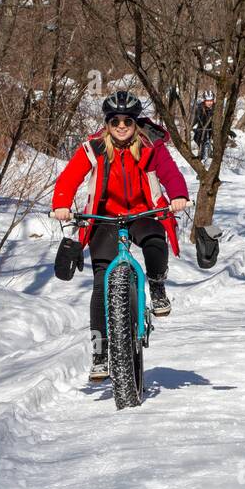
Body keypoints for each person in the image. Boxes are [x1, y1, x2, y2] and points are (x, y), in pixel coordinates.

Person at [52, 91, 189, 382]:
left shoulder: (152, 145)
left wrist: (177, 196)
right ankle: (101, 355)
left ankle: (157, 287)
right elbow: (70, 177)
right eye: (115, 121)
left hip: (143, 212)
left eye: (128, 120)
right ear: (108, 122)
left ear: (136, 122)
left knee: (154, 241)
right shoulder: (94, 147)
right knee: (101, 284)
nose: (122, 126)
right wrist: (61, 204)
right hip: (106, 218)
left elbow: (170, 173)